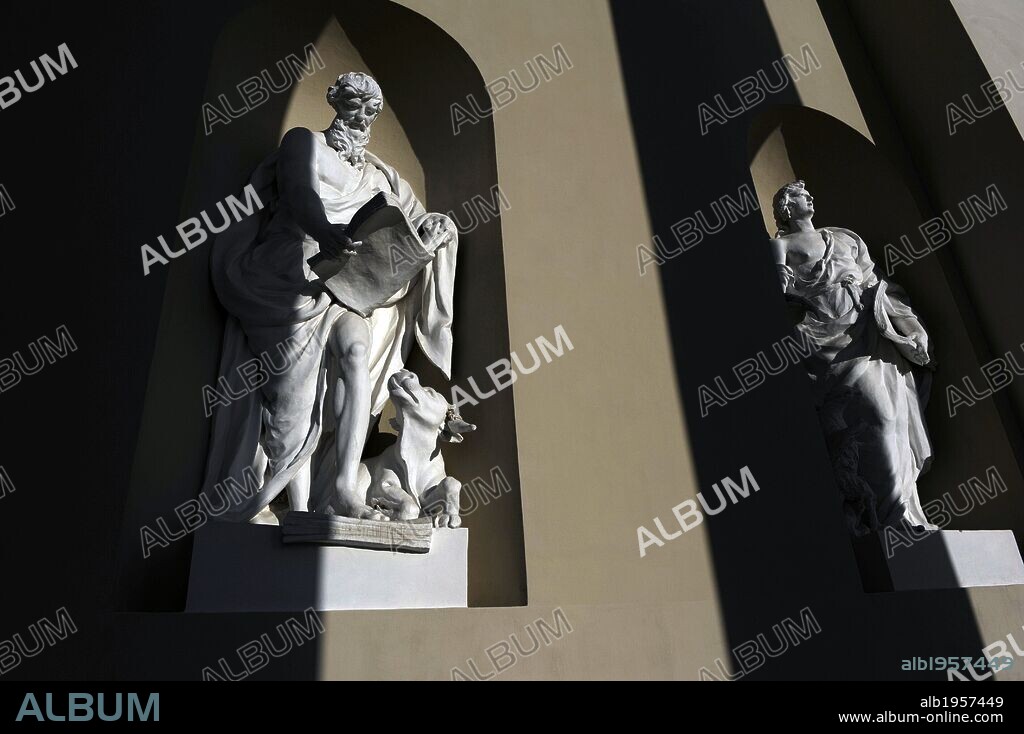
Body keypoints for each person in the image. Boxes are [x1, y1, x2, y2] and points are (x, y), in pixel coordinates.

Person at [200, 72, 457, 522]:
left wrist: (435, 229)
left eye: (372, 111)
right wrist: (324, 231)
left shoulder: (378, 175)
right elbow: (299, 193)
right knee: (289, 412)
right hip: (292, 280)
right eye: (355, 107)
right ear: (337, 106)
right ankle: (282, 502)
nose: (363, 118)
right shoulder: (304, 142)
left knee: (357, 351)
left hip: (345, 288)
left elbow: (412, 222)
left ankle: (342, 487)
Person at [769, 180, 936, 533]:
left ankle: (902, 513)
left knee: (895, 420)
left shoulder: (845, 238)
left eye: (809, 192)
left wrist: (911, 327)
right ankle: (883, 518)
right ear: (786, 206)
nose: (810, 196)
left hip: (869, 336)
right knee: (878, 419)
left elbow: (876, 287)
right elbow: (773, 297)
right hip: (828, 346)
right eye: (800, 195)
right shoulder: (780, 246)